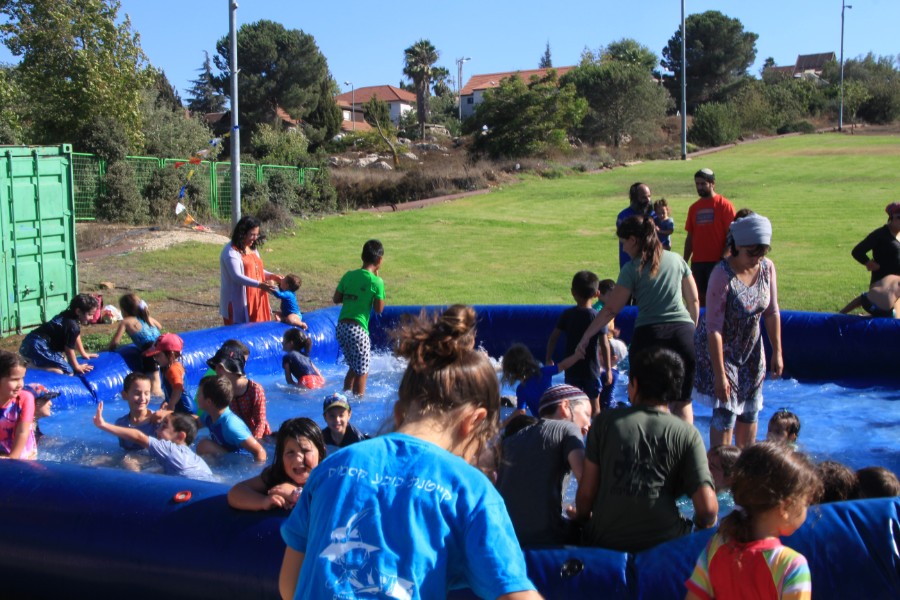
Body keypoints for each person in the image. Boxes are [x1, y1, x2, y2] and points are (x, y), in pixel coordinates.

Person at [278, 305, 539, 600]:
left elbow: (289, 587)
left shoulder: (332, 465)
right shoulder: (470, 489)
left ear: (399, 412)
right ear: (475, 421)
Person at [572, 347, 717, 553]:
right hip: (666, 545)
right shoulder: (687, 434)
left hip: (605, 540)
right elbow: (708, 510)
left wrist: (582, 522)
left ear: (635, 384)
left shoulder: (605, 423)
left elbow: (585, 495)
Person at [577, 215, 699, 422]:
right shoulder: (677, 260)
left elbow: (610, 310)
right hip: (683, 335)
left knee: (644, 402)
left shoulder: (632, 268)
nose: (623, 249)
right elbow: (694, 301)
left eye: (623, 243)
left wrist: (586, 336)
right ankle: (684, 450)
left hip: (651, 337)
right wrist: (690, 332)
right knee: (682, 402)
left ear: (633, 240)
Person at [685, 442, 823, 600]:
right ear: (785, 507)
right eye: (805, 502)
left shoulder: (716, 546)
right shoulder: (791, 566)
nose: (807, 509)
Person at [693, 213, 783, 448]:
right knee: (726, 411)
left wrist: (777, 351)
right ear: (737, 246)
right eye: (751, 253)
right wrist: (720, 375)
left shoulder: (767, 268)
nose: (757, 259)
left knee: (750, 411)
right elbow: (713, 328)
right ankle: (720, 470)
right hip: (721, 349)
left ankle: (743, 470)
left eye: (762, 253)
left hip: (751, 348)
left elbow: (772, 311)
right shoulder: (721, 275)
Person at [497, 384, 591, 546]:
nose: (588, 424)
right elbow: (585, 480)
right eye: (587, 414)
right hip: (546, 538)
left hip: (505, 539)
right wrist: (581, 515)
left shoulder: (510, 440)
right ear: (565, 406)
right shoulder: (568, 428)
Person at [93, 400, 216, 482]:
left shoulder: (170, 448)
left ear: (180, 436)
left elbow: (138, 436)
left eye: (164, 426)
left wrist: (103, 425)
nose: (157, 430)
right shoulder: (194, 458)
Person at [545, 270, 613, 415]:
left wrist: (548, 358)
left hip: (571, 368)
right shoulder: (598, 317)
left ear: (572, 292)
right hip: (592, 369)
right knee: (595, 407)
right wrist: (607, 369)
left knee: (572, 406)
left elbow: (553, 337)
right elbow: (604, 344)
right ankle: (595, 434)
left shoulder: (567, 315)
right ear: (597, 293)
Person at [228, 417, 327, 511]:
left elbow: (331, 506)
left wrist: (296, 494)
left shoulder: (327, 477)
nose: (298, 459)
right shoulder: (277, 474)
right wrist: (263, 501)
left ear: (321, 454)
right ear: (281, 456)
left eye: (305, 450)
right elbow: (235, 493)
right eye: (290, 452)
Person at [333, 239, 386, 396]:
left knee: (353, 366)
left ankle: (343, 396)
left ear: (362, 256)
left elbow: (336, 299)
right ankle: (358, 401)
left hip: (342, 328)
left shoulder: (349, 276)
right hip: (358, 330)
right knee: (363, 371)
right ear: (379, 260)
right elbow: (379, 309)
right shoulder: (376, 282)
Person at [683, 168, 736, 307]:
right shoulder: (694, 208)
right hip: (698, 262)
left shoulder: (725, 205)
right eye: (697, 184)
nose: (699, 187)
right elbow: (690, 236)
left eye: (703, 184)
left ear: (712, 183)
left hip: (717, 262)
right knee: (697, 299)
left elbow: (731, 236)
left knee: (717, 299)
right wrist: (685, 260)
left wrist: (723, 259)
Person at [219, 215, 281, 324]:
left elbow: (256, 270)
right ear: (242, 233)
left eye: (256, 234)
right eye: (252, 234)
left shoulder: (252, 248)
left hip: (256, 297)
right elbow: (236, 276)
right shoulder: (231, 252)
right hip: (237, 302)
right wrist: (260, 284)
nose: (255, 238)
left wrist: (272, 276)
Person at [18, 293, 100, 375]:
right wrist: (77, 367)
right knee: (67, 372)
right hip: (37, 347)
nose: (92, 318)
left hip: (30, 342)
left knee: (64, 359)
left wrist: (83, 353)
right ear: (78, 311)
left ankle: (32, 362)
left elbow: (76, 336)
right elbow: (69, 350)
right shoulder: (72, 326)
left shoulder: (66, 315)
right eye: (90, 315)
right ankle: (29, 367)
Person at [194, 375, 266, 463]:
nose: (196, 397)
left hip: (241, 461)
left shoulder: (231, 425)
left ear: (209, 402)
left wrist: (256, 472)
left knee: (204, 445)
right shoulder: (209, 415)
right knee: (207, 454)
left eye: (198, 394)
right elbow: (193, 424)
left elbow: (260, 451)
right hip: (227, 454)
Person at [501, 343, 581, 420]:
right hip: (557, 415)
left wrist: (503, 424)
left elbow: (521, 411)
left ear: (511, 371)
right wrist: (577, 356)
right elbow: (563, 365)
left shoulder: (521, 389)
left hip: (543, 423)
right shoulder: (544, 372)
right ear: (530, 360)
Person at [207, 345, 270, 439]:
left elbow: (260, 422)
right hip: (236, 438)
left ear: (234, 369)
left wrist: (254, 444)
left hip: (260, 437)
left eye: (220, 367)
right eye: (216, 367)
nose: (216, 371)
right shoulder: (221, 390)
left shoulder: (255, 389)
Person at [107, 293, 164, 396]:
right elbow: (159, 327)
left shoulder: (126, 321)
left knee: (155, 387)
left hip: (150, 351)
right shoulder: (148, 318)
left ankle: (163, 406)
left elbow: (115, 342)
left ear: (124, 310)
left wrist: (107, 349)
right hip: (162, 348)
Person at [851, 201, 900, 285]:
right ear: (891, 218)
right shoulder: (880, 235)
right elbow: (857, 251)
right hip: (883, 285)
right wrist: (869, 263)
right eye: (899, 217)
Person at [144, 333, 194, 414]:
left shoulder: (173, 369)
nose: (155, 359)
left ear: (171, 355)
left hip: (185, 411)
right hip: (181, 409)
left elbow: (178, 388)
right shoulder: (167, 367)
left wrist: (171, 405)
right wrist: (166, 401)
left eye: (157, 355)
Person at [0, 351, 36, 460]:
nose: (20, 384)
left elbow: (22, 432)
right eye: (15, 379)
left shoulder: (25, 399)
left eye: (22, 378)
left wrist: (12, 459)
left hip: (21, 453)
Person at [113, 372, 158, 452]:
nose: (142, 398)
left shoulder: (157, 422)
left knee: (129, 461)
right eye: (137, 394)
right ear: (124, 395)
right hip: (128, 458)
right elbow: (123, 451)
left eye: (146, 393)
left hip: (150, 460)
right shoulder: (121, 424)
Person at [617, 182, 655, 268]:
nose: (648, 200)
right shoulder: (624, 216)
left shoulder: (654, 215)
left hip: (651, 265)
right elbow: (623, 238)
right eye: (644, 197)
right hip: (629, 263)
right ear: (634, 198)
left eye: (649, 196)